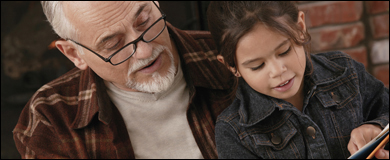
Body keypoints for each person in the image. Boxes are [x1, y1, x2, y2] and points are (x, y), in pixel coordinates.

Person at [13, 1, 235, 159]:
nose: (146, 51)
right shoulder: (52, 117)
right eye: (113, 45)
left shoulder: (233, 57)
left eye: (144, 21)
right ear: (74, 54)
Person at [207, 1, 389, 159]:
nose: (278, 71)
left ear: (301, 28)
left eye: (284, 51)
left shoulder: (344, 71)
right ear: (232, 66)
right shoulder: (234, 131)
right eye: (257, 66)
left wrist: (375, 127)